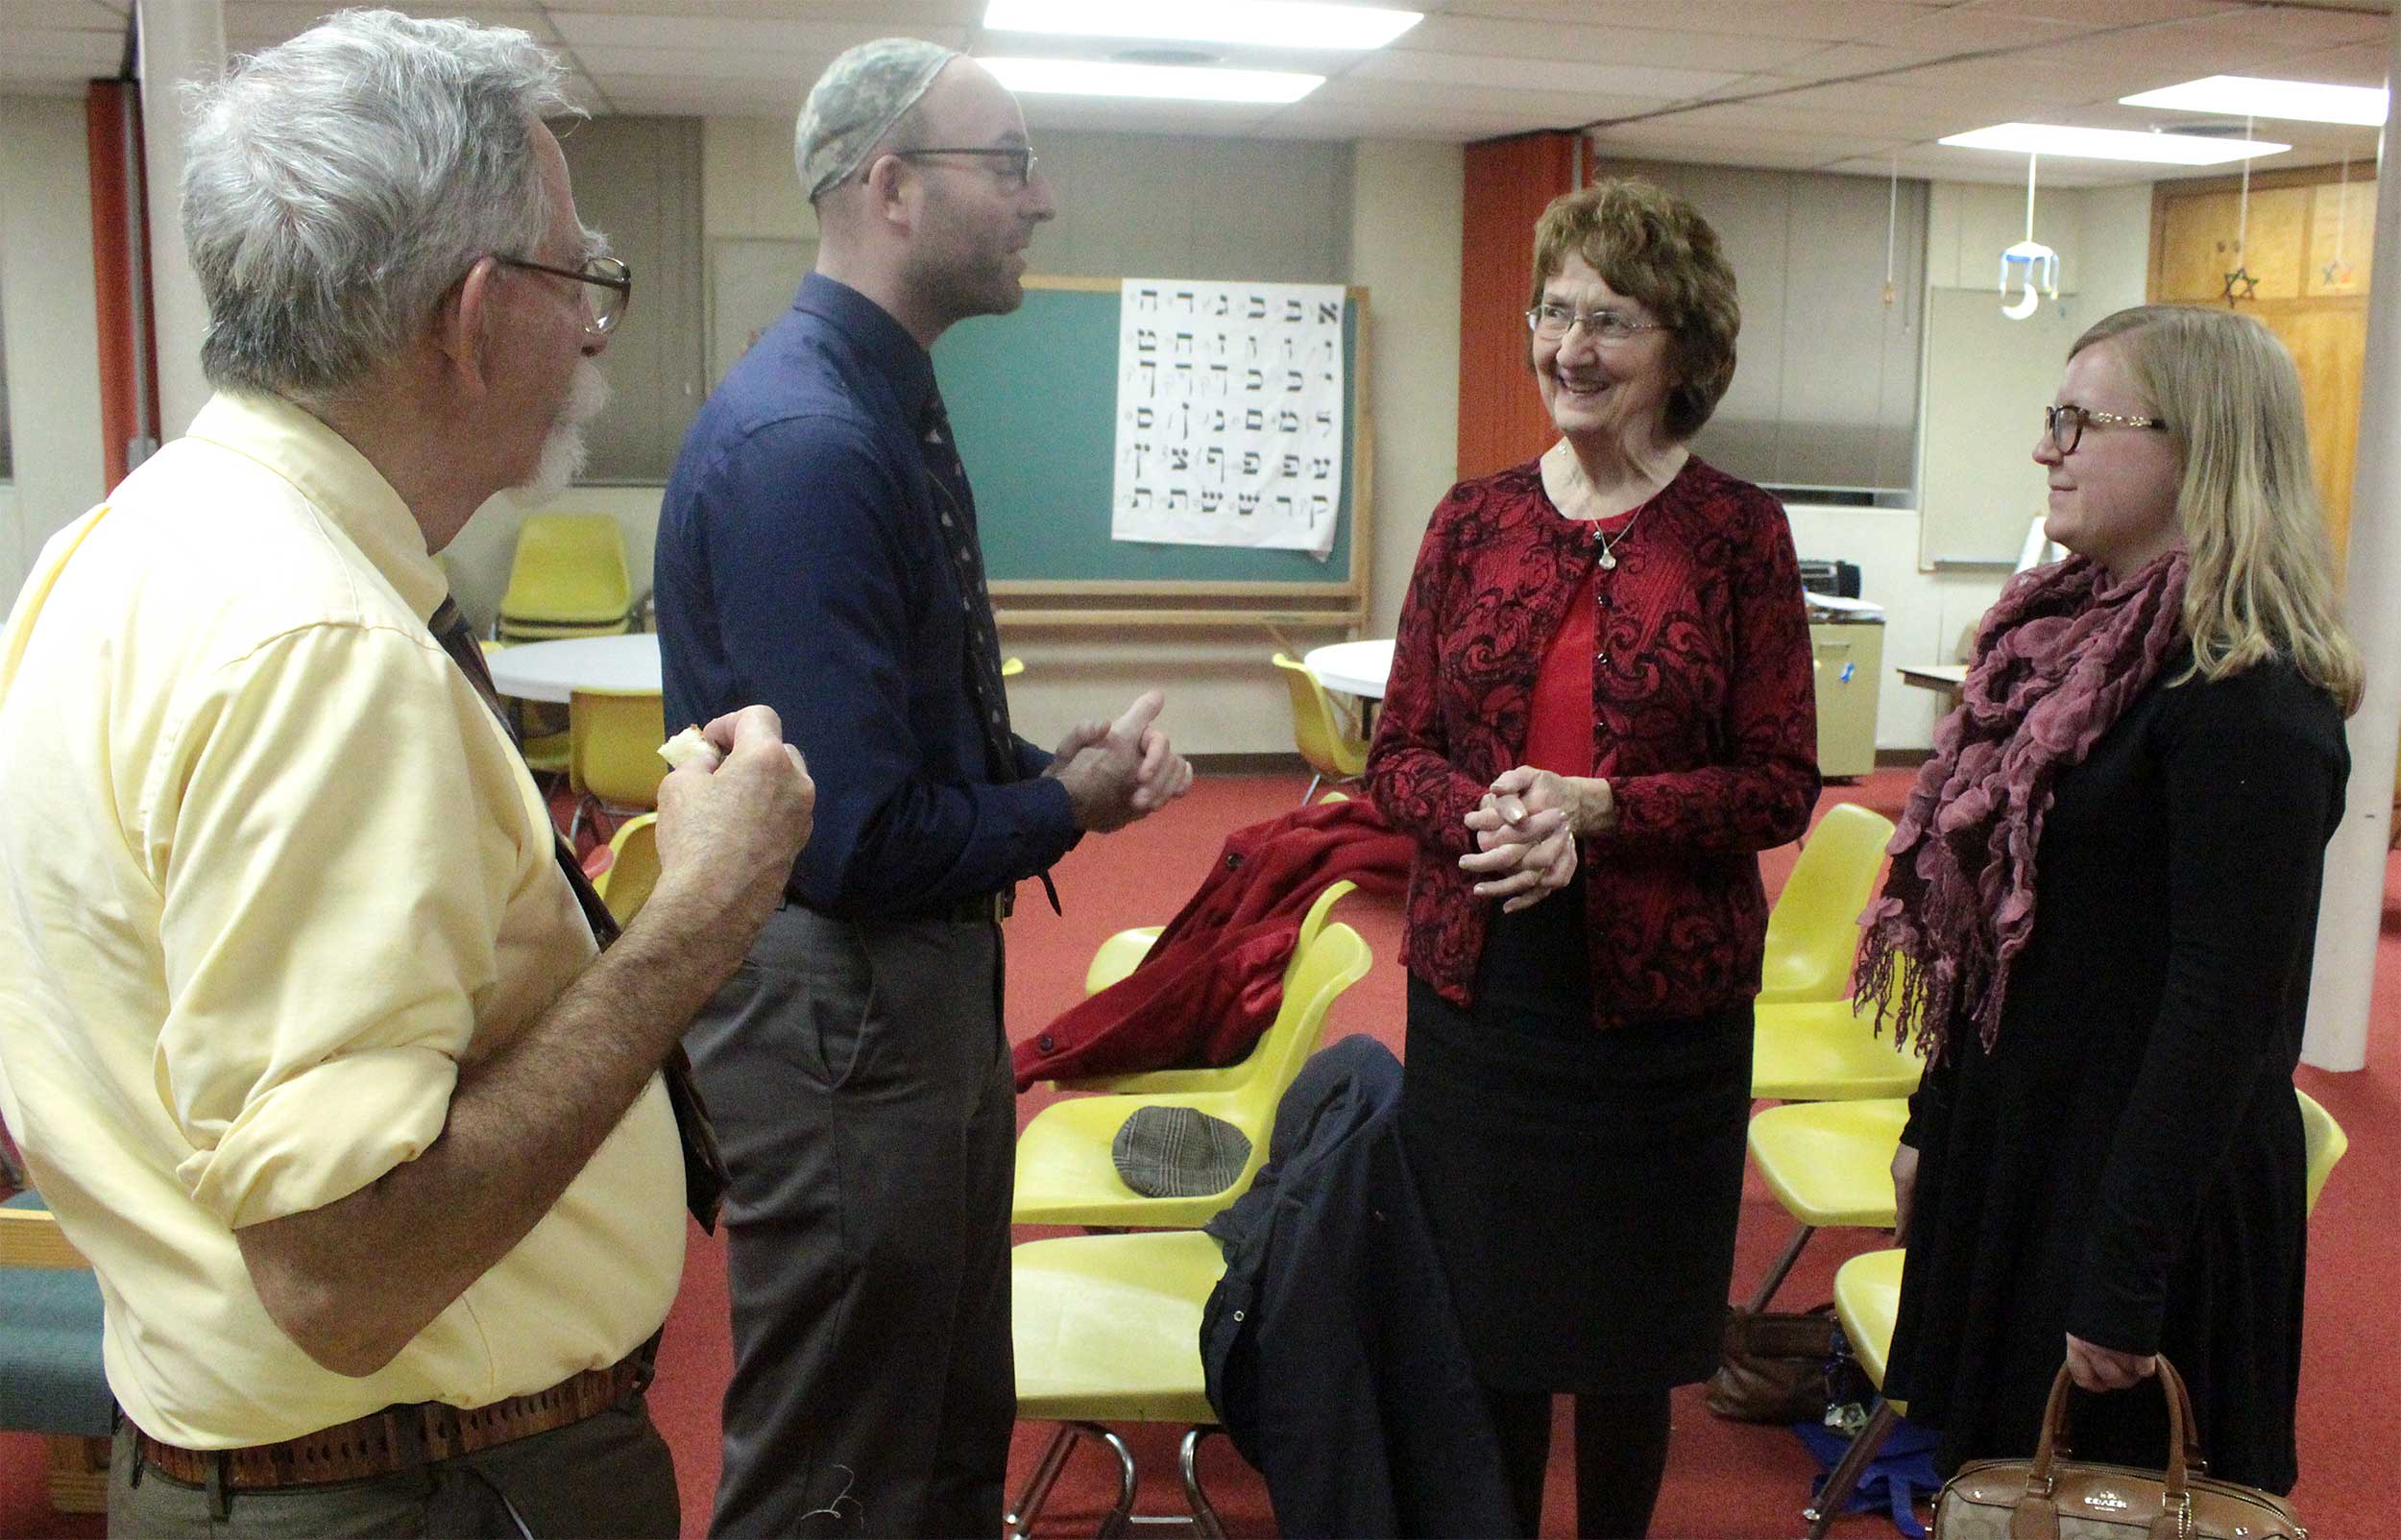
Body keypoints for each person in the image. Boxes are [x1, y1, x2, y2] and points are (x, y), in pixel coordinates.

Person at [0, 12, 815, 1538]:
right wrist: (700, 916)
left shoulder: (116, 546)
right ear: (477, 314)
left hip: (278, 1463)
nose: (594, 333)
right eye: (580, 280)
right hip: (426, 1487)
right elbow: (347, 1275)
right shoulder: (325, 649)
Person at [652, 36, 1192, 1538]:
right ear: (891, 187)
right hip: (843, 1012)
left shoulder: (877, 395)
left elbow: (895, 740)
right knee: (838, 1466)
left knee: (943, 1430)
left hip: (902, 1001)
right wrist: (1066, 807)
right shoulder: (813, 440)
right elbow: (851, 839)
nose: (1042, 198)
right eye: (1007, 164)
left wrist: (1046, 772)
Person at [1365, 178, 1820, 1539]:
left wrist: (1598, 808)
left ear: (1684, 347)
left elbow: (1778, 782)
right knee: (1491, 1321)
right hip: (1483, 987)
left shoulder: (1738, 534)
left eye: (1610, 320)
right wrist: (1493, 817)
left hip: (1662, 1004)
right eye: (1553, 312)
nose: (1569, 347)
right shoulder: (1473, 519)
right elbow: (1397, 750)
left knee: (1631, 1333)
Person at [1860, 304, 2358, 1493]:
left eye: (2082, 420)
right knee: (1998, 1483)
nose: (2048, 447)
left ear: (2201, 446)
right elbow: (1992, 933)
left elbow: (2222, 1019)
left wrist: (2125, 1270)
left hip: (2135, 1190)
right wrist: (1935, 1117)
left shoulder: (2249, 698)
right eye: (2054, 416)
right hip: (2026, 1145)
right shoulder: (2057, 644)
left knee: (2103, 1498)